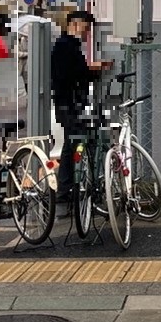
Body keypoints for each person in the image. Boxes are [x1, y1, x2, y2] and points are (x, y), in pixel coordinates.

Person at [51, 11, 111, 208]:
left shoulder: (68, 45)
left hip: (70, 102)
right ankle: (69, 187)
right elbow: (72, 74)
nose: (86, 34)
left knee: (72, 144)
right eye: (85, 29)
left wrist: (89, 69)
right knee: (77, 142)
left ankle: (67, 187)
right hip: (70, 103)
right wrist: (93, 69)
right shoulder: (65, 46)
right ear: (75, 25)